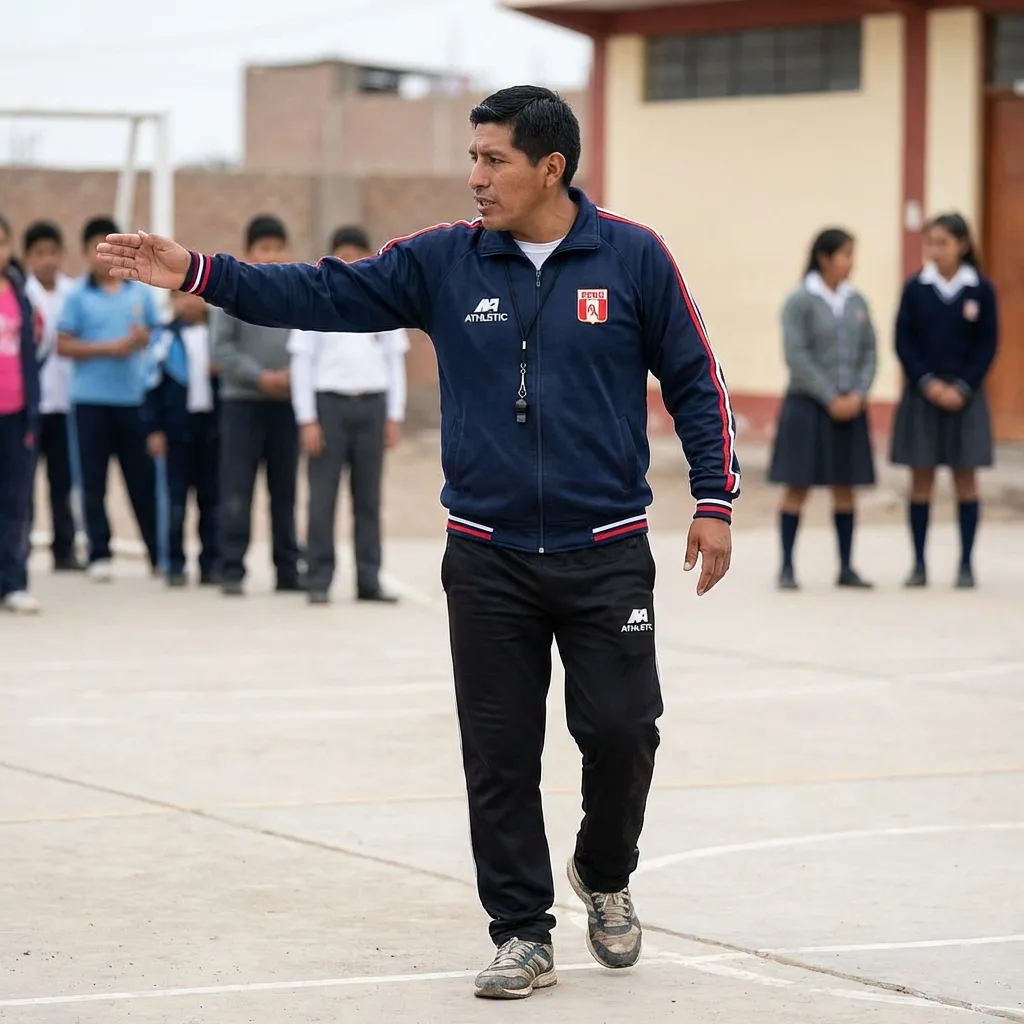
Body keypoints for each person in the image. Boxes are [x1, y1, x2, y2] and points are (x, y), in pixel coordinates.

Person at [98, 86, 739, 1001]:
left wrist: (713, 498)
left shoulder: (632, 257)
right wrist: (199, 271)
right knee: (499, 752)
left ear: (551, 167)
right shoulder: (444, 261)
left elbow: (695, 376)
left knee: (622, 729)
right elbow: (318, 291)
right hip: (487, 555)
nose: (474, 177)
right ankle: (522, 931)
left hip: (607, 549)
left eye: (493, 159)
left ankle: (604, 872)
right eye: (471, 158)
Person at [289, 225, 408, 605]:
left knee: (369, 499)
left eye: (359, 252)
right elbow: (302, 365)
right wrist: (307, 418)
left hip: (372, 406)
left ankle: (369, 578)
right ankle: (319, 577)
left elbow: (395, 363)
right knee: (323, 498)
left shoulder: (384, 302)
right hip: (329, 408)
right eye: (344, 253)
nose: (352, 260)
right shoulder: (316, 300)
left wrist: (394, 415)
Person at [891, 213, 998, 589]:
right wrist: (929, 383)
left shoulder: (980, 289)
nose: (935, 250)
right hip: (924, 395)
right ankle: (919, 564)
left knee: (966, 481)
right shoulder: (916, 288)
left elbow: (988, 343)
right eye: (930, 242)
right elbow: (904, 341)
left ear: (963, 244)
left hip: (966, 398)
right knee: (921, 480)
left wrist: (963, 386)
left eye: (943, 242)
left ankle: (966, 564)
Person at [768, 228, 877, 590]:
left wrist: (858, 393)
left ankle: (846, 567)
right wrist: (830, 395)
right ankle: (786, 567)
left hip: (850, 405)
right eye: (845, 254)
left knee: (844, 487)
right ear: (824, 258)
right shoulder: (800, 300)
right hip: (809, 405)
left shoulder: (856, 301)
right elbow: (796, 356)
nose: (851, 262)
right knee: (797, 486)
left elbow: (869, 351)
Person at [57, 216, 160, 581]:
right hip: (90, 402)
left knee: (142, 481)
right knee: (92, 481)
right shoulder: (76, 297)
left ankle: (156, 552)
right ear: (86, 253)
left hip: (133, 400)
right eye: (97, 249)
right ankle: (98, 552)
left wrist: (140, 339)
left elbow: (156, 335)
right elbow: (62, 343)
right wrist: (108, 348)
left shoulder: (140, 292)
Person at [209, 215, 300, 596]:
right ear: (248, 252)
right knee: (236, 488)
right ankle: (231, 568)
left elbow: (309, 340)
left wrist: (293, 375)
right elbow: (221, 349)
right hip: (242, 405)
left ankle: (288, 569)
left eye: (277, 247)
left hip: (287, 406)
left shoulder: (296, 291)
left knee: (285, 491)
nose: (272, 255)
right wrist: (259, 376)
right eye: (264, 248)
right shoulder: (232, 294)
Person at [142, 289, 220, 587]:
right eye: (181, 296)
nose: (189, 302)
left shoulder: (217, 333)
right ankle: (174, 562)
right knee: (175, 502)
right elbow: (151, 384)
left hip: (211, 429)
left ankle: (210, 562)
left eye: (195, 295)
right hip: (176, 430)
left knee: (211, 501)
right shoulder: (164, 338)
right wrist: (154, 428)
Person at [23, 220, 83, 572]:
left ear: (61, 254)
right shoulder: (20, 294)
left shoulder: (74, 292)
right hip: (30, 404)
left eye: (52, 253)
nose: (47, 261)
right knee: (23, 484)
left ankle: (65, 549)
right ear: (28, 257)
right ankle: (20, 550)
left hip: (66, 401)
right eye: (39, 254)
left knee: (63, 483)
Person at [0, 214, 42, 614]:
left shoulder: (19, 293)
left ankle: (13, 581)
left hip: (15, 413)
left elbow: (32, 355)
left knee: (15, 500)